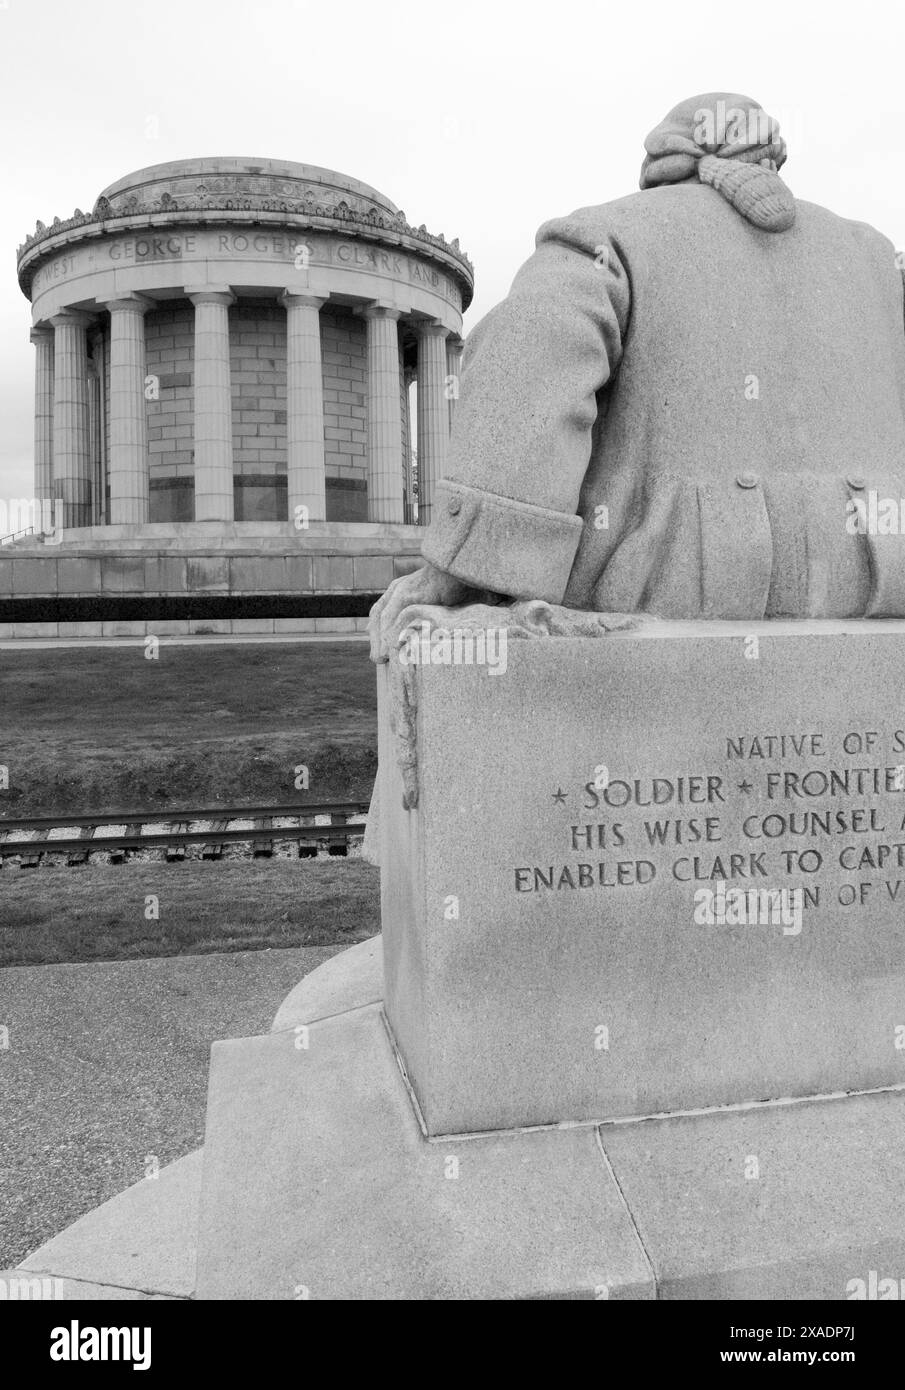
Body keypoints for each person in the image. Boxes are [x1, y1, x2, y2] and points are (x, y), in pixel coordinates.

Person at [371, 91, 905, 664]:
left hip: (677, 576)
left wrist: (476, 559)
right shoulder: (875, 258)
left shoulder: (608, 235)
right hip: (882, 571)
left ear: (664, 159)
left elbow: (529, 361)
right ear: (771, 153)